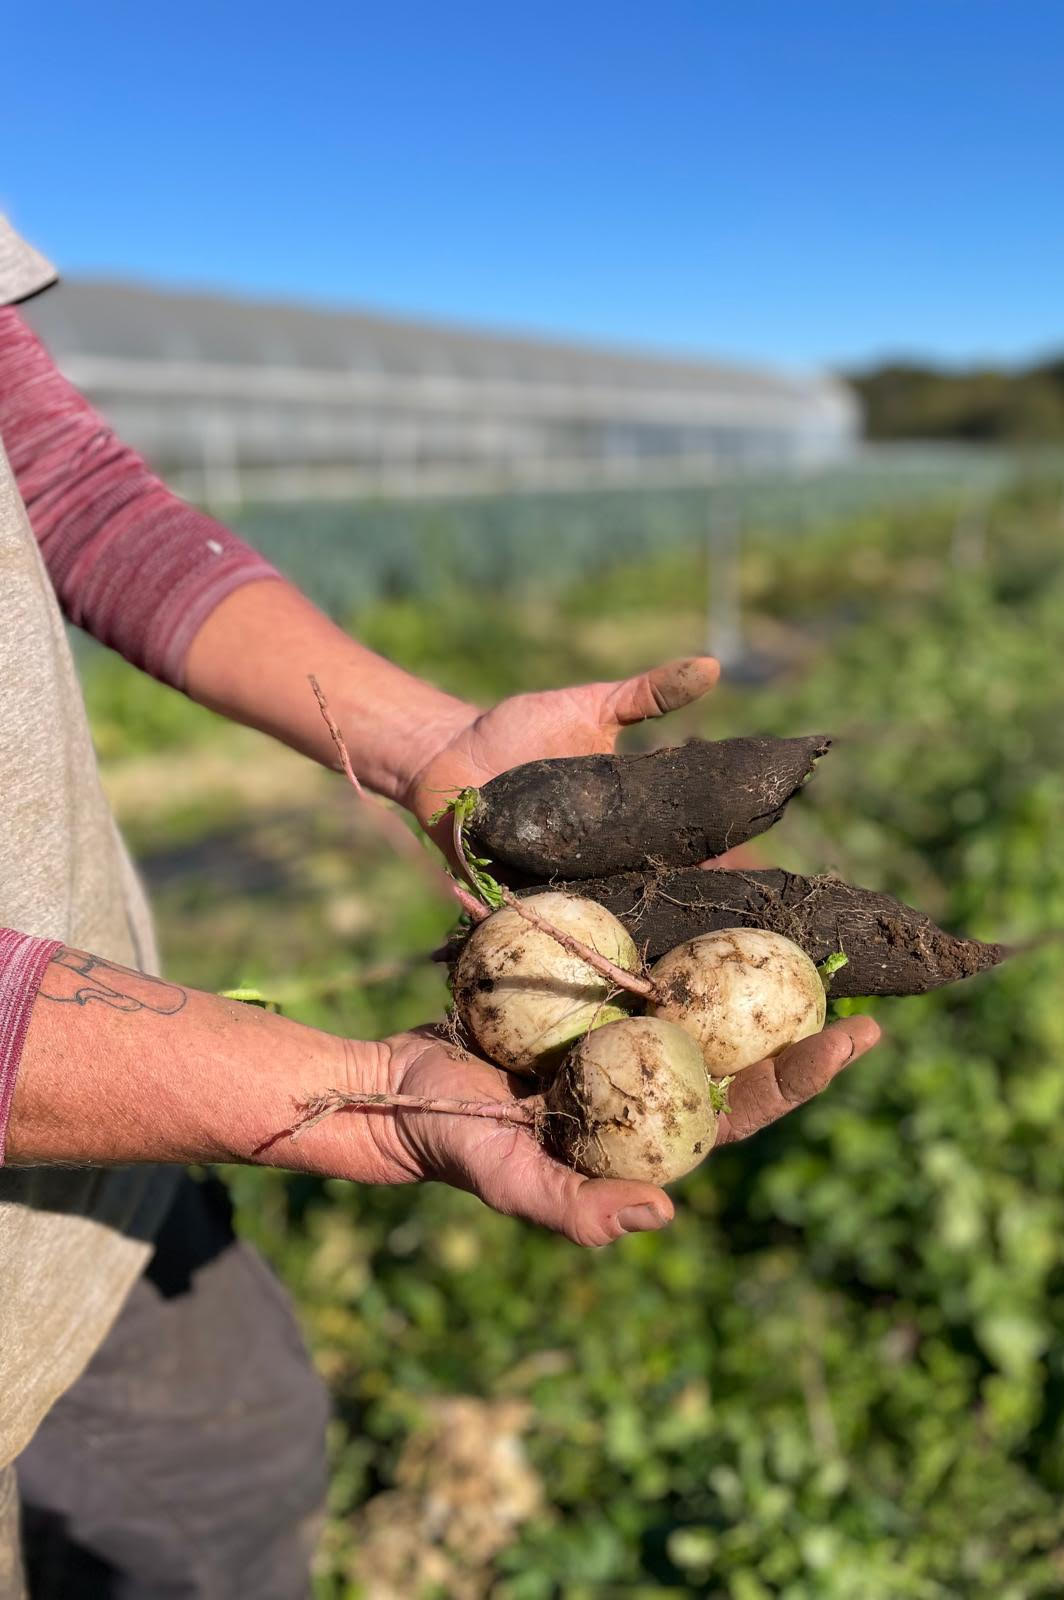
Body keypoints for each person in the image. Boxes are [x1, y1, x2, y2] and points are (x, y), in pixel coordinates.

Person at [0, 215, 881, 1599]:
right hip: (80, 1106)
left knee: (232, 1468)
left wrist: (437, 751)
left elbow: (56, 480)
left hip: (96, 1165)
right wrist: (363, 1089)